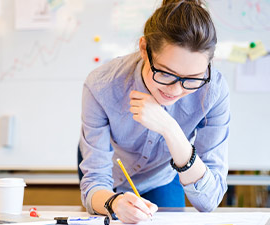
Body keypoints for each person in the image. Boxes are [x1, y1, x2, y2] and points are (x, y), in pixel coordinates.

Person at [79, 0, 230, 223]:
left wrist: (170, 129)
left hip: (162, 174)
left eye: (193, 79)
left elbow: (209, 200)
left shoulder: (213, 91)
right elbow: (94, 182)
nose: (177, 90)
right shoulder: (102, 86)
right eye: (166, 74)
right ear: (143, 48)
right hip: (109, 171)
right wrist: (114, 202)